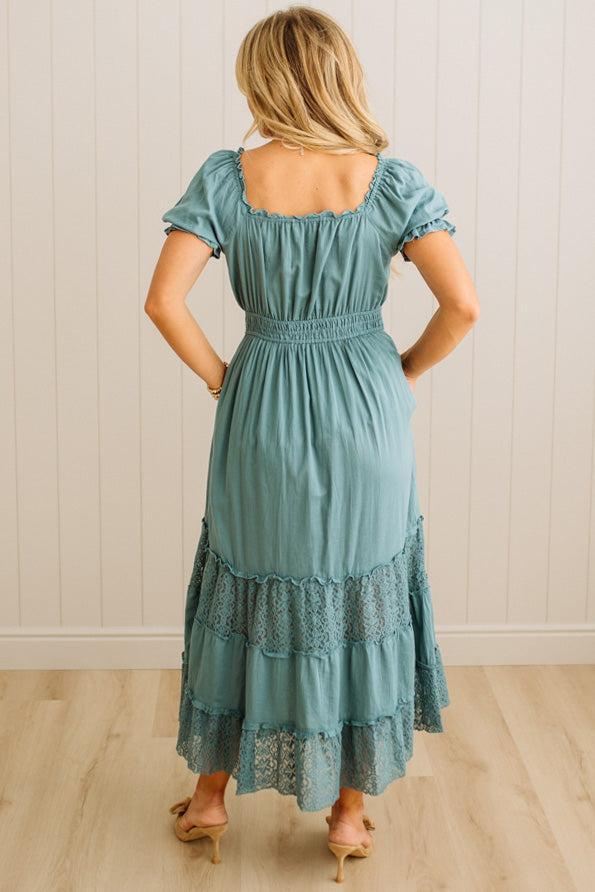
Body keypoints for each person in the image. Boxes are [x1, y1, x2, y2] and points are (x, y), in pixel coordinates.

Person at [145, 5, 479, 883]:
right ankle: (346, 814)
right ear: (340, 74)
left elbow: (163, 302)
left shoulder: (226, 179)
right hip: (366, 403)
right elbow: (463, 307)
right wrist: (396, 374)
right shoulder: (390, 182)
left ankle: (212, 797)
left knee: (248, 589)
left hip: (260, 405)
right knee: (359, 594)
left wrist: (226, 378)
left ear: (260, 78)